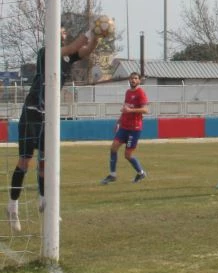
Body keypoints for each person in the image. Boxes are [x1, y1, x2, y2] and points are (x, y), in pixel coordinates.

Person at [8, 26, 99, 232]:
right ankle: (13, 207)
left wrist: (98, 37)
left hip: (48, 115)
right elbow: (76, 45)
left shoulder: (68, 58)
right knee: (24, 161)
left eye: (63, 31)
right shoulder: (46, 52)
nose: (62, 32)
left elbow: (87, 50)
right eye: (59, 30)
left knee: (44, 162)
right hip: (31, 111)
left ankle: (44, 202)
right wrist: (91, 30)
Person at [100, 72, 149, 185]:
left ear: (139, 81)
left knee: (128, 155)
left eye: (135, 78)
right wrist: (118, 122)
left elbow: (145, 110)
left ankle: (141, 173)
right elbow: (125, 108)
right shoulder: (127, 92)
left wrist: (131, 110)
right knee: (113, 148)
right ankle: (112, 175)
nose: (133, 80)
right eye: (131, 78)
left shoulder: (140, 93)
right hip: (124, 127)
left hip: (134, 128)